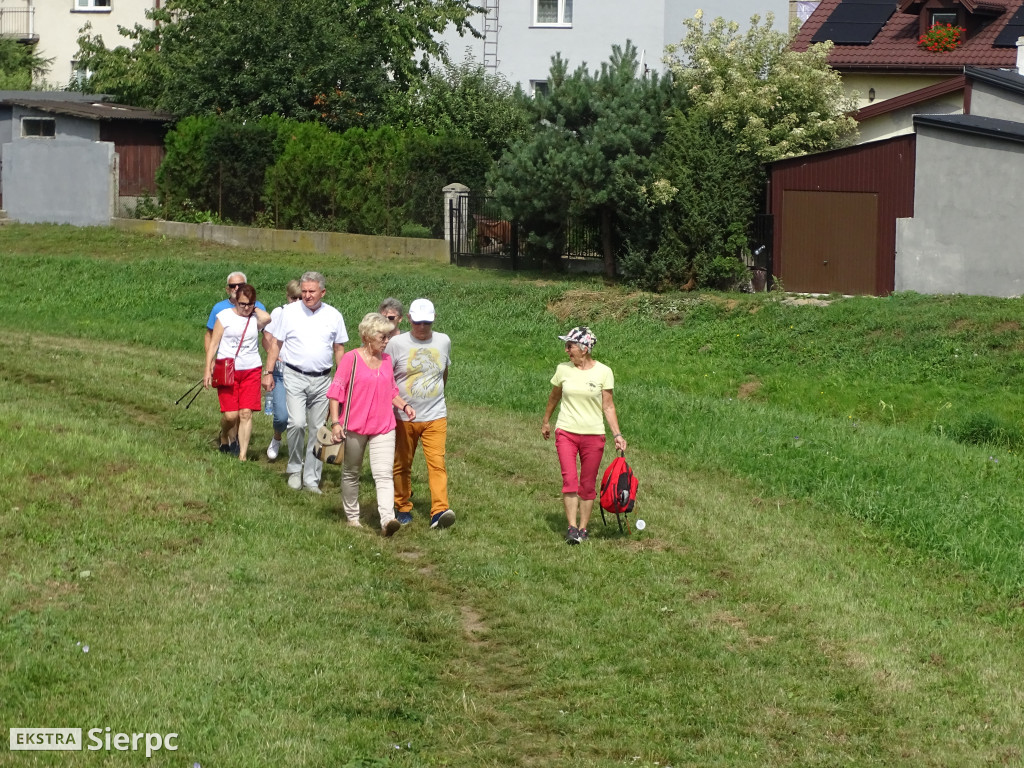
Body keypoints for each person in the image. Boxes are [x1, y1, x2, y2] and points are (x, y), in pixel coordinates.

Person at [327, 313, 417, 536]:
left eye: (388, 336)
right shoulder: (351, 359)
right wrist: (336, 423)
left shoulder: (386, 360)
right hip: (354, 425)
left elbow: (391, 391)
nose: (387, 341)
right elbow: (336, 391)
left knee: (383, 473)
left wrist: (404, 406)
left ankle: (387, 520)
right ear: (367, 336)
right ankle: (352, 517)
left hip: (383, 425)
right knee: (351, 472)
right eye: (382, 337)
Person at [262, 271, 348, 493]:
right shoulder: (289, 313)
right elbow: (275, 345)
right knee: (297, 423)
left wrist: (342, 380)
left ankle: (311, 478)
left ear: (322, 292)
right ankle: (293, 470)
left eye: (312, 291)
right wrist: (268, 372)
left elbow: (339, 349)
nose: (307, 295)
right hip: (294, 375)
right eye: (304, 291)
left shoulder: (334, 316)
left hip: (322, 380)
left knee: (318, 429)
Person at [541, 326, 627, 544]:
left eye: (570, 346)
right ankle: (571, 528)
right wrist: (546, 422)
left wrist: (617, 434)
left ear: (584, 348)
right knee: (569, 480)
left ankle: (583, 529)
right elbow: (554, 397)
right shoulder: (563, 369)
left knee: (587, 484)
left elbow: (608, 406)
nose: (566, 350)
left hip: (593, 435)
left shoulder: (604, 372)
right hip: (566, 431)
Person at [386, 298, 455, 530]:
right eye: (418, 323)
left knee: (437, 464)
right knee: (402, 463)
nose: (422, 327)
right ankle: (402, 505)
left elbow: (443, 372)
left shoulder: (444, 341)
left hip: (436, 415)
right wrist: (398, 405)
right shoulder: (396, 344)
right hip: (403, 416)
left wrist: (439, 396)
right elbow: (387, 379)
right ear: (409, 320)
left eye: (427, 322)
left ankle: (439, 511)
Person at [203, 284, 272, 460]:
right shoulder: (224, 316)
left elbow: (268, 318)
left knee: (246, 413)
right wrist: (207, 369)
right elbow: (214, 344)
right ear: (235, 301)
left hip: (251, 369)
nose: (246, 308)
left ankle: (242, 455)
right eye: (242, 304)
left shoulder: (255, 317)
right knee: (230, 415)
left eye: (249, 304)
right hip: (227, 369)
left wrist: (254, 308)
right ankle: (224, 434)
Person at [264, 279, 302, 461]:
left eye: (300, 298)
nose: (297, 302)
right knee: (281, 417)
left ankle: (297, 453)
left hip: (302, 371)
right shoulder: (280, 313)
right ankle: (277, 436)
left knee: (299, 419)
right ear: (287, 297)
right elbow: (267, 336)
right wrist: (271, 355)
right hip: (280, 370)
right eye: (293, 298)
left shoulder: (309, 315)